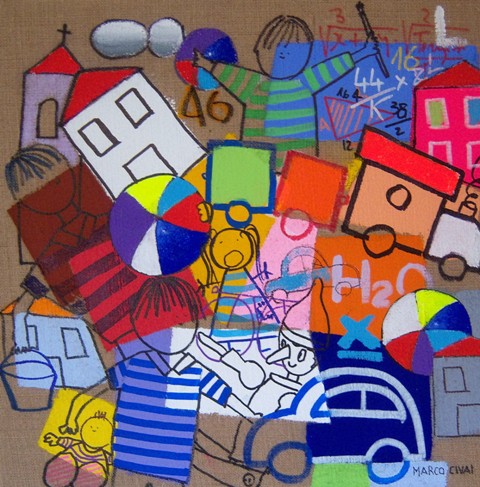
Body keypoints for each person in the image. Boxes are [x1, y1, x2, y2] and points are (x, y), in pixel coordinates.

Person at [59, 276, 259, 485]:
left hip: (170, 471)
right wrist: (73, 416)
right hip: (131, 467)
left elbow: (232, 402)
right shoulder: (134, 365)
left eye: (180, 322)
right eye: (158, 326)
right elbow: (99, 388)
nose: (170, 332)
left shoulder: (194, 371)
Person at [196, 15, 379, 171]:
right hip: (261, 165)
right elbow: (226, 73)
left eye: (290, 51)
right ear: (259, 51)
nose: (282, 56)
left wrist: (363, 52)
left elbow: (332, 68)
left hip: (296, 166)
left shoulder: (304, 82)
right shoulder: (255, 84)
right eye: (277, 49)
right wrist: (205, 64)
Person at [43, 411, 113, 487]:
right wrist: (56, 440)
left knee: (95, 467)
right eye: (91, 427)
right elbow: (65, 441)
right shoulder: (75, 444)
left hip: (86, 476)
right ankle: (57, 478)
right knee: (67, 458)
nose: (94, 430)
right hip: (69, 468)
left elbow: (113, 460)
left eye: (100, 430)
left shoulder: (104, 455)